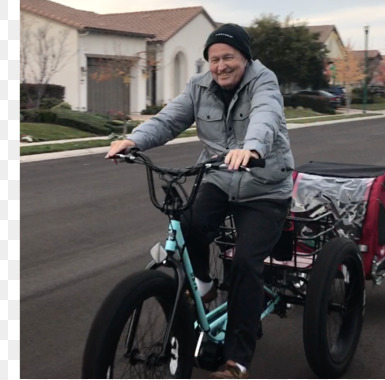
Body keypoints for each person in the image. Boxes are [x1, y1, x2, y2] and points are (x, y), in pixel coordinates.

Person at [105, 23, 294, 379]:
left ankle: (236, 361)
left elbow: (266, 117)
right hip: (220, 177)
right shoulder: (199, 86)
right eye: (213, 59)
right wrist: (134, 141)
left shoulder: (264, 81)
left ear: (245, 58)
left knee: (245, 263)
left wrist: (252, 147)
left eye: (228, 57)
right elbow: (168, 119)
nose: (220, 65)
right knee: (187, 222)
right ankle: (204, 284)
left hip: (265, 187)